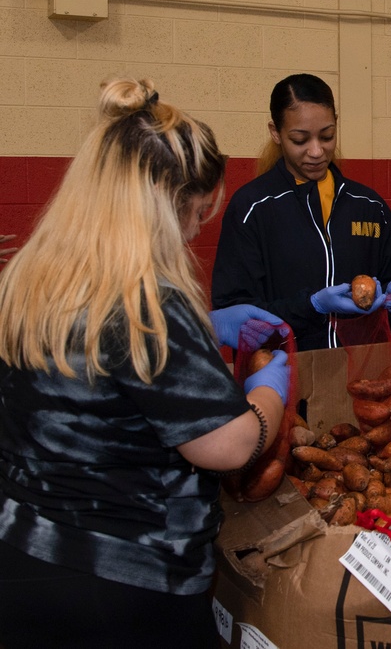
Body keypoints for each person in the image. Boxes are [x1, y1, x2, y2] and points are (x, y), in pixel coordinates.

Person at [0, 78, 292, 649]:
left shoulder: (30, 277)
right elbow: (229, 446)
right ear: (165, 203)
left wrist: (206, 327)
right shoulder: (147, 300)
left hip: (22, 557)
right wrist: (268, 390)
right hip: (125, 584)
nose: (195, 230)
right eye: (197, 213)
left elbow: (93, 356)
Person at [212, 73, 391, 350]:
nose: (317, 151)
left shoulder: (369, 206)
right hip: (284, 369)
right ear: (276, 132)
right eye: (300, 139)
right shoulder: (252, 208)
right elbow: (234, 312)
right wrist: (311, 306)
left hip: (359, 369)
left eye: (327, 136)